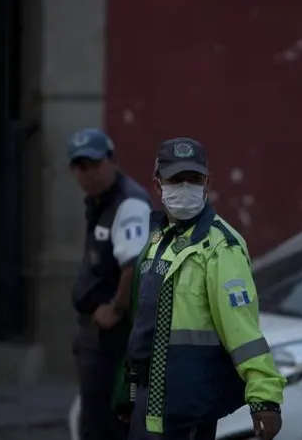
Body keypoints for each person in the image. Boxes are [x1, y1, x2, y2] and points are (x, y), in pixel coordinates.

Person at [113, 137, 286, 440]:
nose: (185, 187)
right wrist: (127, 390)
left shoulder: (220, 246)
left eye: (193, 179)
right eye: (176, 179)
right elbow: (142, 327)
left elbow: (243, 332)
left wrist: (264, 398)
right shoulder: (156, 242)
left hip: (188, 408)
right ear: (158, 184)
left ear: (207, 183)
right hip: (149, 406)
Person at [68, 128, 152, 440]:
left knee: (105, 426)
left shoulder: (127, 204)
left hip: (115, 340)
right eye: (80, 167)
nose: (89, 173)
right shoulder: (101, 201)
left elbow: (135, 266)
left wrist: (116, 308)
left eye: (95, 163)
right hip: (100, 339)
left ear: (112, 161)